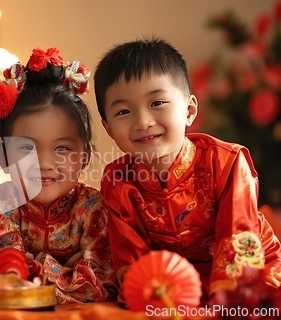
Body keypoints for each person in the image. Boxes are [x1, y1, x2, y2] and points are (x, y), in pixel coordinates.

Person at [93, 37, 281, 300]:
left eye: (157, 103)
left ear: (189, 110)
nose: (143, 122)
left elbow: (238, 240)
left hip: (250, 274)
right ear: (109, 128)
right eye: (124, 111)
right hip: (172, 287)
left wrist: (225, 298)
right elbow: (132, 260)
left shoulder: (227, 162)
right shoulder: (117, 180)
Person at [0, 47, 115, 303]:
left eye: (62, 148)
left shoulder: (96, 210)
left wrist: (38, 265)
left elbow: (101, 284)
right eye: (26, 148)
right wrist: (65, 273)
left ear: (85, 157)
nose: (44, 163)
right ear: (3, 156)